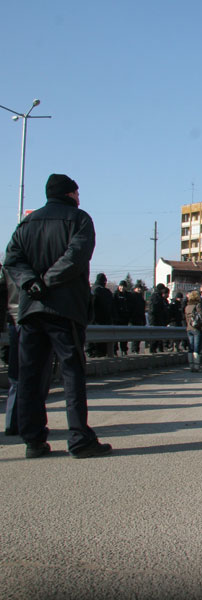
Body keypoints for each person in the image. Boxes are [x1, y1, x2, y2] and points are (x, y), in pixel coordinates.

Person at [3, 173, 112, 458]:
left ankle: (34, 440)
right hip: (65, 309)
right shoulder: (80, 219)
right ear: (72, 193)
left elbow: (12, 259)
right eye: (78, 193)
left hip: (31, 310)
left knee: (30, 375)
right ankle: (79, 438)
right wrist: (48, 280)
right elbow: (77, 256)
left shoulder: (26, 222)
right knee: (72, 373)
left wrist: (31, 283)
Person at [184, 290, 202, 372]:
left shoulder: (187, 307)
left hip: (189, 328)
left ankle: (191, 365)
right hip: (196, 328)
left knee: (191, 347)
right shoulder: (197, 305)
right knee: (196, 347)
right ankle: (197, 366)